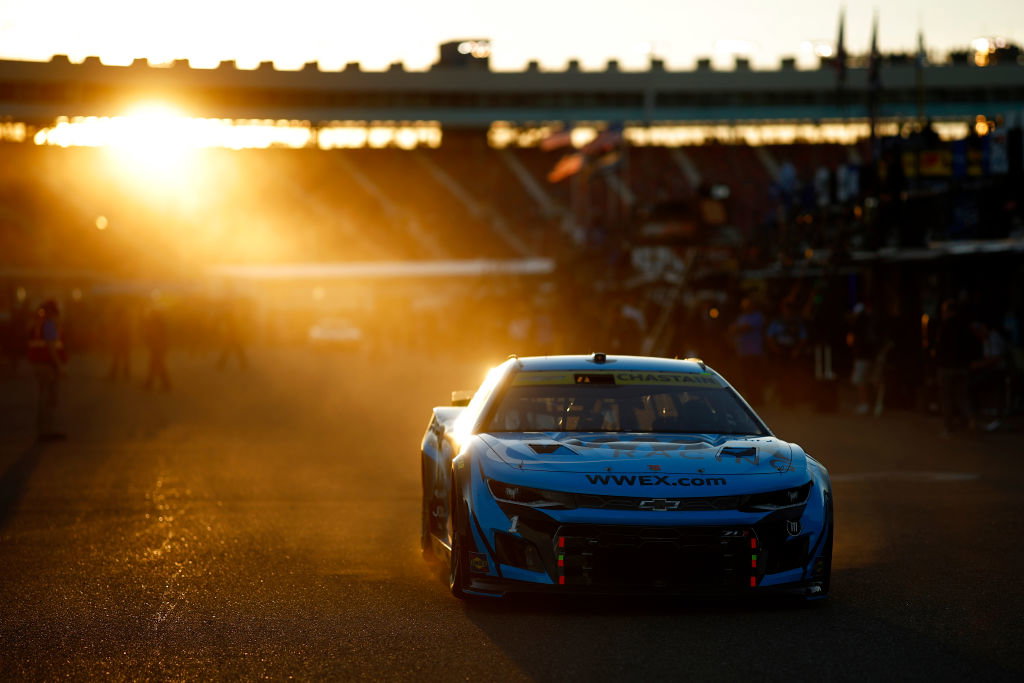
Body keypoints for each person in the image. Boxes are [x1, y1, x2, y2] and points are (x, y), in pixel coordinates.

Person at [932, 299, 981, 434]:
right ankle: (971, 420)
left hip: (947, 367)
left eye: (944, 311)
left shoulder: (945, 326)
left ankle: (948, 426)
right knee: (962, 396)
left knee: (946, 397)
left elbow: (939, 346)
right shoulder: (965, 326)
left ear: (949, 311)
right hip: (962, 367)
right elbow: (972, 345)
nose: (942, 313)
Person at [26, 299, 67, 440]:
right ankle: (47, 430)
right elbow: (51, 346)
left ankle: (43, 430)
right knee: (49, 397)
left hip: (37, 364)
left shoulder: (37, 323)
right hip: (47, 365)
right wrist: (59, 366)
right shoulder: (49, 324)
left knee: (42, 397)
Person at [728, 297, 765, 403]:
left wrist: (737, 328)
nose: (745, 307)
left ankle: (758, 398)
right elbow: (733, 328)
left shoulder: (758, 316)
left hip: (755, 352)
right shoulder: (742, 317)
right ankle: (751, 398)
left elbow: (744, 328)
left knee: (756, 376)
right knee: (746, 377)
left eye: (747, 305)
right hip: (743, 352)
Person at [142, 307, 171, 391]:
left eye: (151, 314)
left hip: (158, 347)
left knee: (158, 365)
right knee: (155, 365)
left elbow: (155, 335)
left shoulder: (156, 323)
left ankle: (165, 384)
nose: (150, 315)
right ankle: (150, 383)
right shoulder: (161, 322)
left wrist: (150, 341)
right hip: (160, 346)